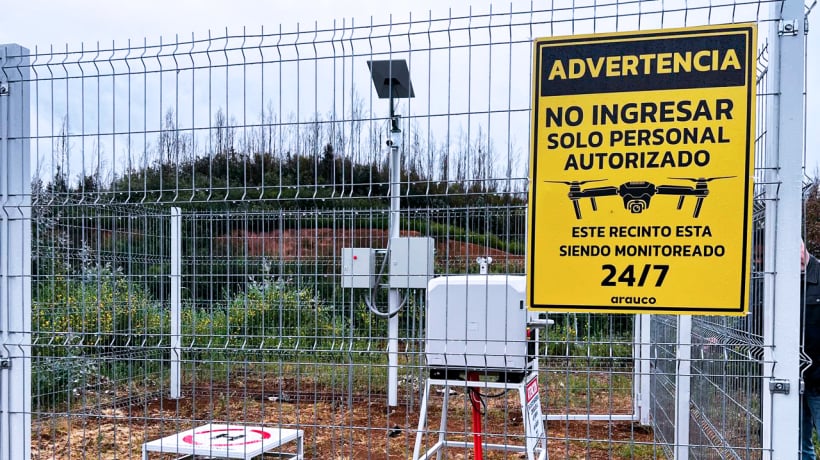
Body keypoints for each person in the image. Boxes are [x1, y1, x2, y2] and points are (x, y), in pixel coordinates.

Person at [801, 240, 820, 459]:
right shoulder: (778, 280)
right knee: (797, 442)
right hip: (792, 377)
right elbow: (758, 317)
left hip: (818, 378)